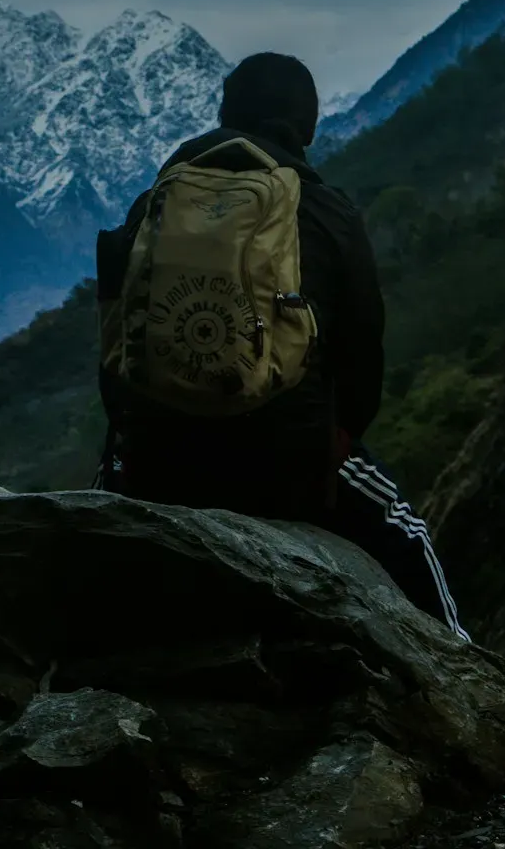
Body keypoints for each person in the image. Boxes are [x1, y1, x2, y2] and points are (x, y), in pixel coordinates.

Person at [93, 51, 469, 640]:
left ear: (224, 114)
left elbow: (114, 346)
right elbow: (363, 358)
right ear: (309, 127)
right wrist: (332, 441)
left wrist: (138, 432)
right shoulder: (326, 213)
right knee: (405, 530)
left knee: (98, 504)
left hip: (155, 463)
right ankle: (465, 668)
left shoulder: (154, 206)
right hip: (285, 467)